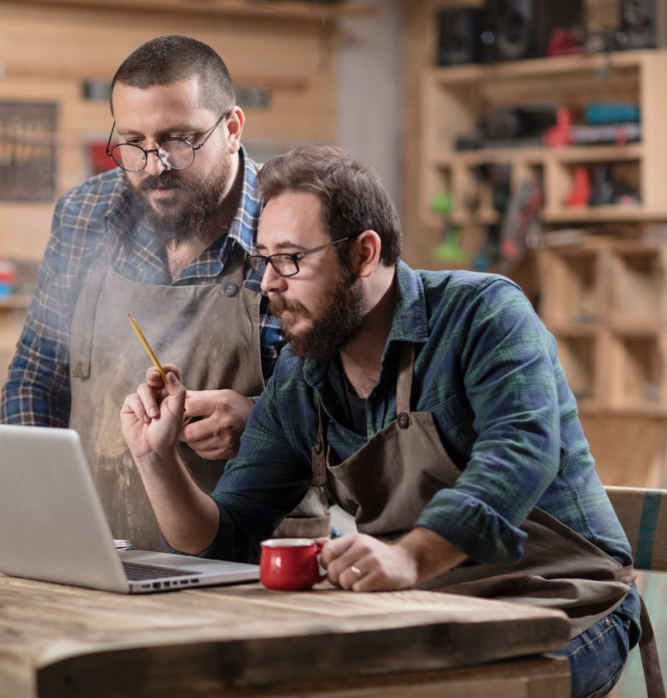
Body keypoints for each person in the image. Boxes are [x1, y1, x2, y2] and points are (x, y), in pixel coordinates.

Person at [121, 143, 658, 698]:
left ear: (363, 254)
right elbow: (224, 539)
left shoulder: (484, 314)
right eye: (263, 260)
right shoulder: (301, 378)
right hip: (426, 612)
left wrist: (407, 558)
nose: (269, 284)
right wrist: (155, 460)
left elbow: (520, 455)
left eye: (290, 260)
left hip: (565, 606)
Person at [0, 35, 329, 552]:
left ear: (232, 128)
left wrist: (261, 420)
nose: (155, 165)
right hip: (98, 555)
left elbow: (350, 405)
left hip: (253, 567)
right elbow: (38, 375)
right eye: (134, 142)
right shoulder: (85, 216)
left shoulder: (294, 225)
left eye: (180, 140)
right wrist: (24, 498)